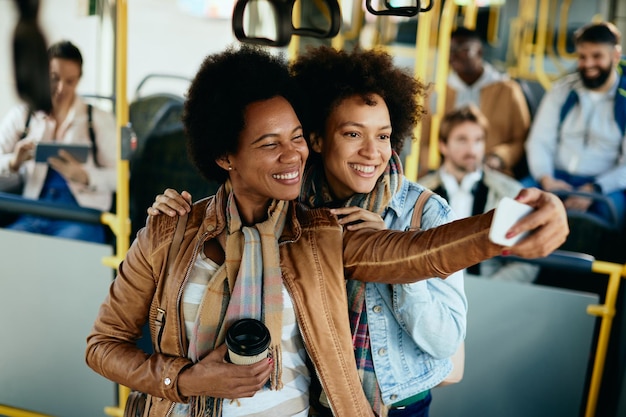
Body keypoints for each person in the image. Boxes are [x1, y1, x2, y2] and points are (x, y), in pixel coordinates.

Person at [86, 45, 567, 417]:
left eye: (296, 138)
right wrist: (187, 382)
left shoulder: (316, 231)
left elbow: (419, 253)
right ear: (224, 155)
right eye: (269, 144)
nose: (293, 155)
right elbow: (102, 346)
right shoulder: (170, 231)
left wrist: (507, 225)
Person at [0, 40, 116, 243]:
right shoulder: (23, 116)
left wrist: (85, 176)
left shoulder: (97, 119)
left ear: (79, 80)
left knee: (70, 249)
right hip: (33, 211)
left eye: (70, 82)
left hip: (81, 216)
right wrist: (14, 162)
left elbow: (120, 177)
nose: (61, 88)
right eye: (54, 78)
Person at [523, 21, 626, 230]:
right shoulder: (562, 91)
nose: (588, 64)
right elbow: (539, 141)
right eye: (582, 57)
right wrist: (547, 180)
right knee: (516, 200)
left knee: (610, 217)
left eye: (597, 56)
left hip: (604, 185)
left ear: (615, 55)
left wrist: (594, 189)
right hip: (555, 177)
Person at [420, 105, 540, 283]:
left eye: (478, 140)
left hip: (490, 296)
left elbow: (528, 258)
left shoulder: (510, 192)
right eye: (462, 140)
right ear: (443, 146)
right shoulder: (419, 192)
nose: (472, 149)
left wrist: (490, 291)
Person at [419, 27, 531, 178]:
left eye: (462, 49)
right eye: (450, 50)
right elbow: (424, 139)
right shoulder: (436, 92)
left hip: (495, 173)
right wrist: (432, 168)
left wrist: (499, 157)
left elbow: (522, 138)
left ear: (479, 52)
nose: (454, 56)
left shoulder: (508, 90)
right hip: (447, 173)